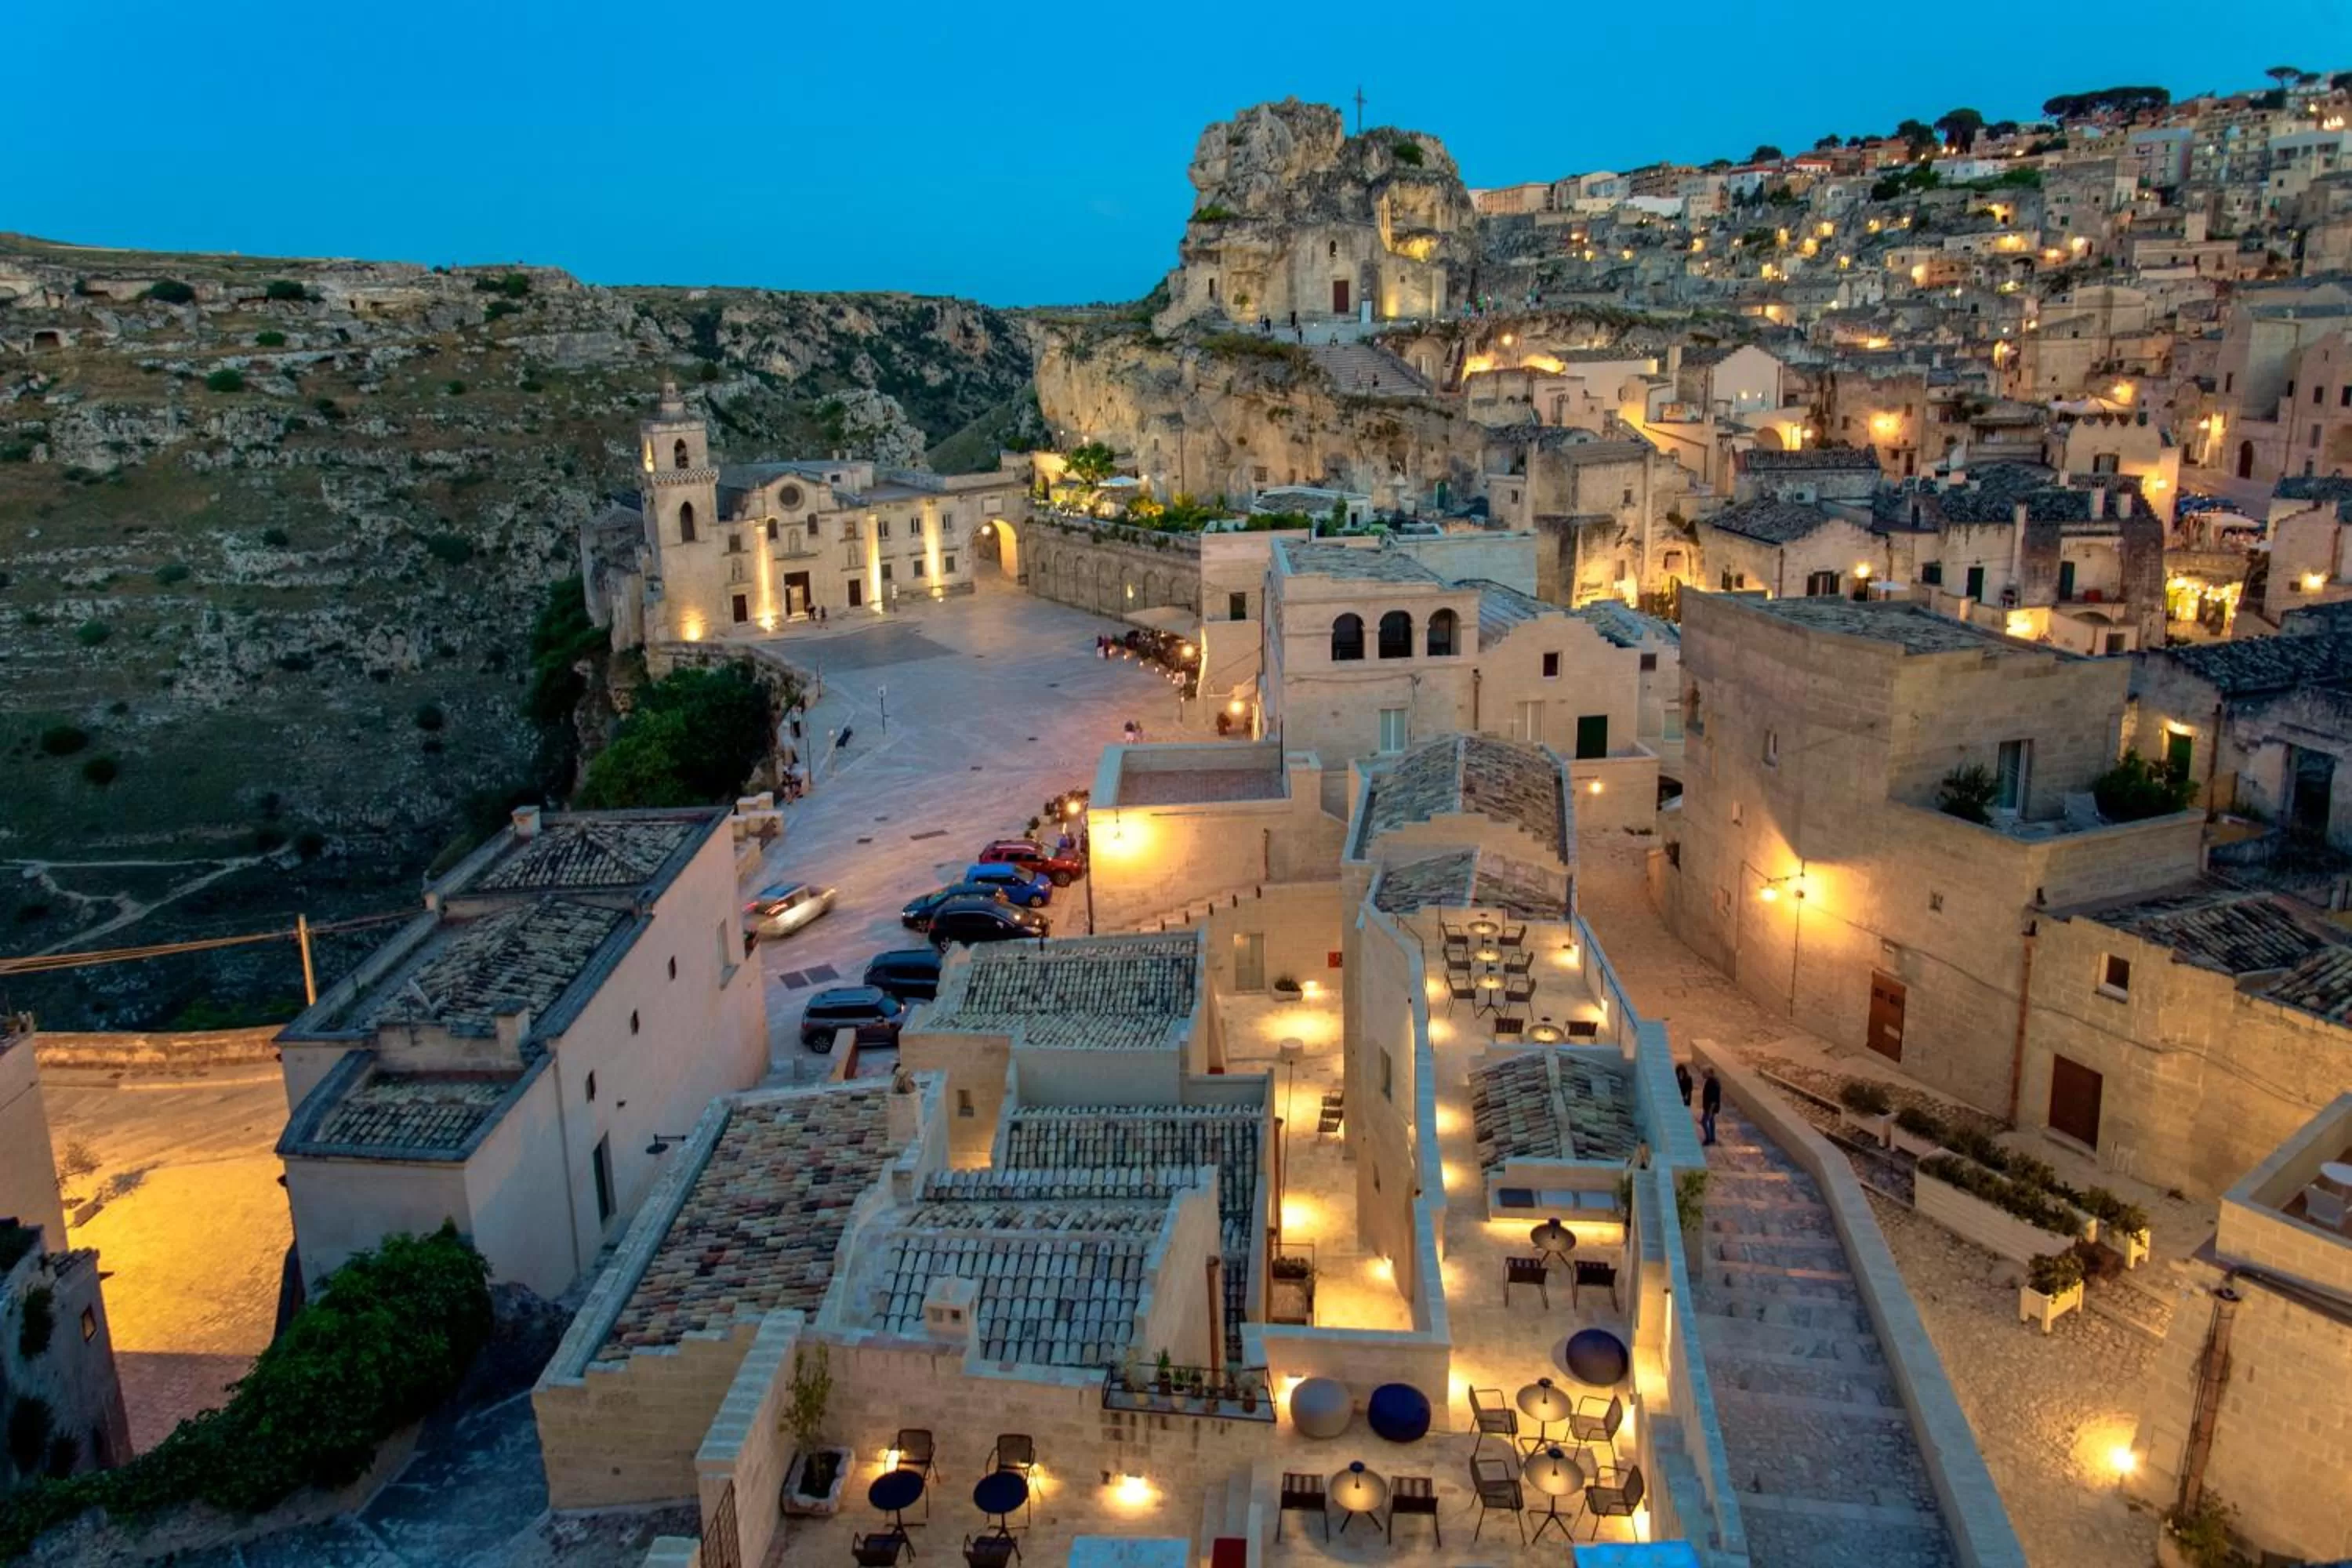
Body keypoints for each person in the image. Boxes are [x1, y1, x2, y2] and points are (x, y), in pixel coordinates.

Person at [1700, 1069, 1722, 1145]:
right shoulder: (1712, 1081)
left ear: (1710, 1073)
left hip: (1710, 1107)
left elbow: (1713, 1098)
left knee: (1704, 1121)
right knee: (1711, 1121)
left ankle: (1708, 1138)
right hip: (1710, 1106)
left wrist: (1710, 1110)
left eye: (1704, 1073)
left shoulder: (1713, 1083)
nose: (1703, 1075)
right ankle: (1712, 1137)